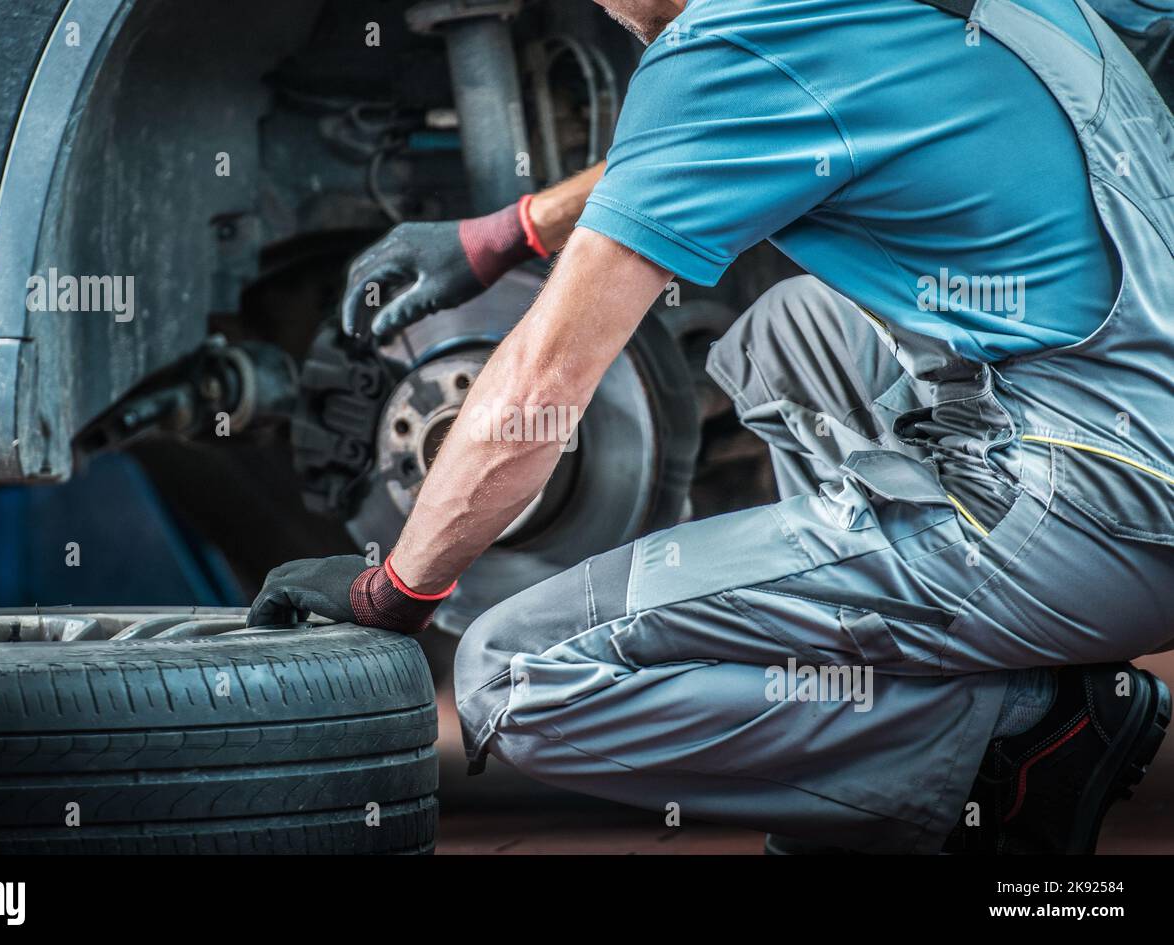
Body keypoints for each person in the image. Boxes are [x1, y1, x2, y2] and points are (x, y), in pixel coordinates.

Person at [248, 0, 1174, 853]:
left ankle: (1014, 734)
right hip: (1137, 450)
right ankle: (888, 712)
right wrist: (517, 229)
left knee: (511, 673)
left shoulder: (722, 48)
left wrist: (396, 590)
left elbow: (542, 382)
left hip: (1089, 513)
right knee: (789, 333)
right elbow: (756, 112)